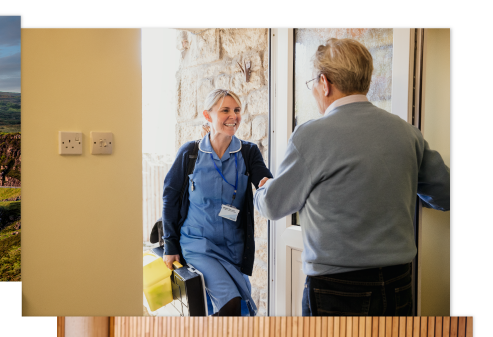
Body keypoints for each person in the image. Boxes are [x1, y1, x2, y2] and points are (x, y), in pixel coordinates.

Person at [254, 38, 451, 316]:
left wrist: (264, 190)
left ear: (324, 83)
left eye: (313, 84)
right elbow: (444, 194)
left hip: (336, 289)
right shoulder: (406, 132)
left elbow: (274, 206)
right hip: (398, 282)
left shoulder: (311, 136)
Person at [162, 88, 273, 316]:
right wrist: (170, 245)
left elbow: (264, 181)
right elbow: (170, 198)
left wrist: (271, 186)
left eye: (237, 110)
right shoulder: (190, 153)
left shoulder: (248, 153)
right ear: (207, 115)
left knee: (240, 305)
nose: (234, 116)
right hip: (198, 245)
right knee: (229, 301)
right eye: (225, 110)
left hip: (233, 249)